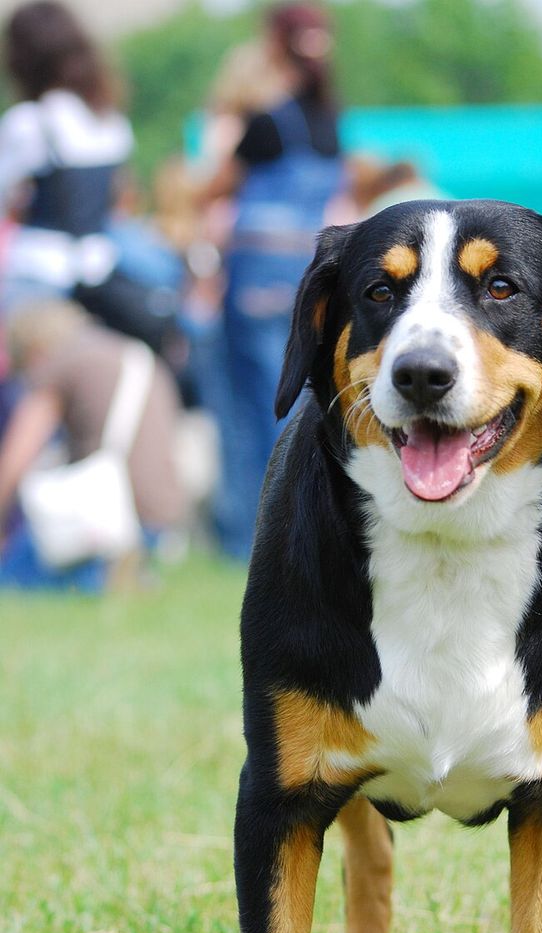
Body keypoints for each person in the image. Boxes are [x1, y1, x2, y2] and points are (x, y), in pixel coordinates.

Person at [201, 2, 343, 560]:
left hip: (256, 271)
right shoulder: (329, 121)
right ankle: (308, 517)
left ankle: (253, 534)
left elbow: (212, 188)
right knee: (304, 391)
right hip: (307, 270)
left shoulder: (264, 122)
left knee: (253, 400)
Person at [0, 1, 177, 354]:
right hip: (100, 274)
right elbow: (121, 197)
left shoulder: (30, 121)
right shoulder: (108, 119)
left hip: (42, 276)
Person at [0, 301, 185, 591]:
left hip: (100, 518)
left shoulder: (61, 361)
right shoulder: (137, 354)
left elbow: (17, 456)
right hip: (157, 520)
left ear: (34, 351)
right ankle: (127, 574)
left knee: (9, 578)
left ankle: (105, 575)